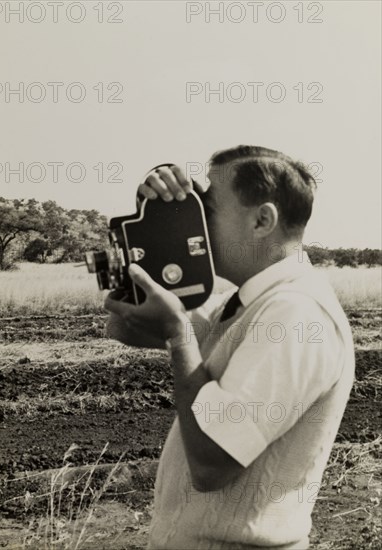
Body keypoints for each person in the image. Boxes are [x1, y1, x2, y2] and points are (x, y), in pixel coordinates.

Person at [104, 145, 355, 550]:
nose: (196, 220)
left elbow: (211, 463)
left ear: (261, 221)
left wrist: (179, 335)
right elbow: (124, 326)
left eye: (208, 208)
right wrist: (153, 230)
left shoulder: (296, 314)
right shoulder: (245, 300)